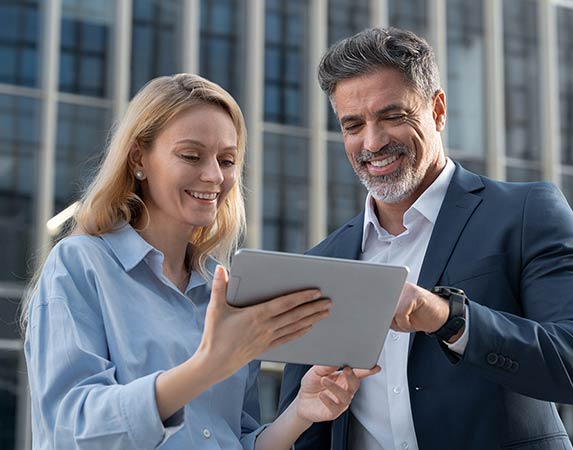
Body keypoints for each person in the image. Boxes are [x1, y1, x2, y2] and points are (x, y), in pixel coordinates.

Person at [278, 27, 573, 450]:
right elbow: (308, 430)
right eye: (353, 124)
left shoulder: (526, 213)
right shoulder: (323, 260)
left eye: (393, 116)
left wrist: (447, 317)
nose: (372, 142)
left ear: (438, 110)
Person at [22, 73, 379, 450]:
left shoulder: (223, 289)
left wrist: (300, 413)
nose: (213, 176)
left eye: (227, 160)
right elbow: (71, 427)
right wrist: (208, 365)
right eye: (191, 156)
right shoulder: (81, 265)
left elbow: (232, 439)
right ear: (138, 157)